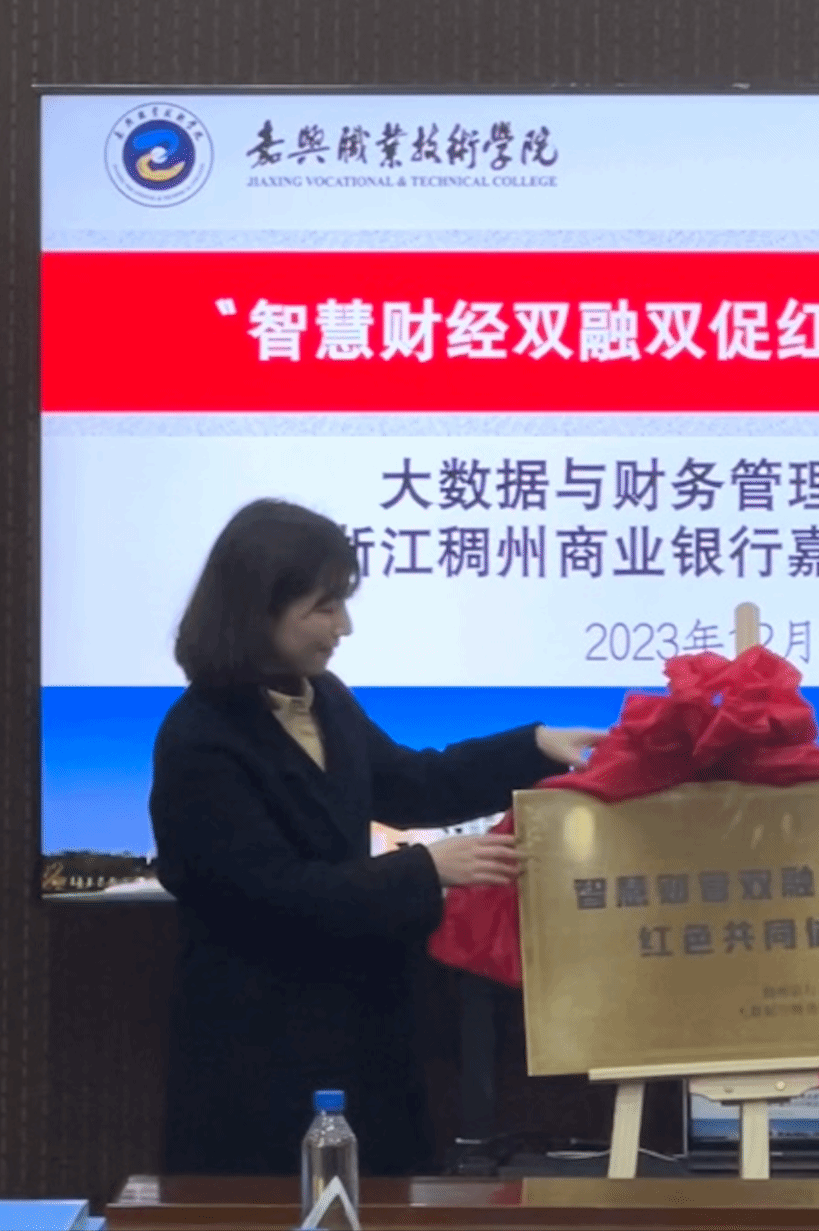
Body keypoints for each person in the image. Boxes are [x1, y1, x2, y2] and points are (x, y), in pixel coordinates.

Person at [149, 499, 605, 1175]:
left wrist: (533, 747)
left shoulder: (324, 698)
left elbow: (415, 783)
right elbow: (271, 895)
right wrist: (427, 870)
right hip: (258, 1056)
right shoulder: (199, 739)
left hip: (360, 1038)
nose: (344, 626)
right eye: (325, 607)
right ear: (257, 609)